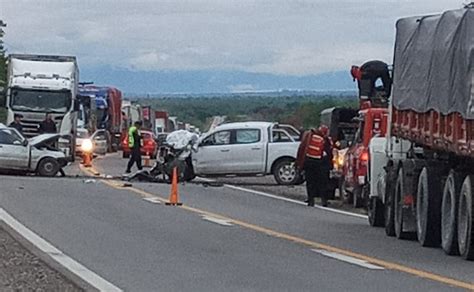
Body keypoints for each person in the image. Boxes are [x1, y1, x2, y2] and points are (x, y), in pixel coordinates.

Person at [296, 125, 333, 207]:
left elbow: (302, 148)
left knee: (310, 182)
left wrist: (299, 163)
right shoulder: (325, 140)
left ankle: (310, 200)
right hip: (321, 164)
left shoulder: (309, 136)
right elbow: (329, 153)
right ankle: (324, 200)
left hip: (308, 162)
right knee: (322, 183)